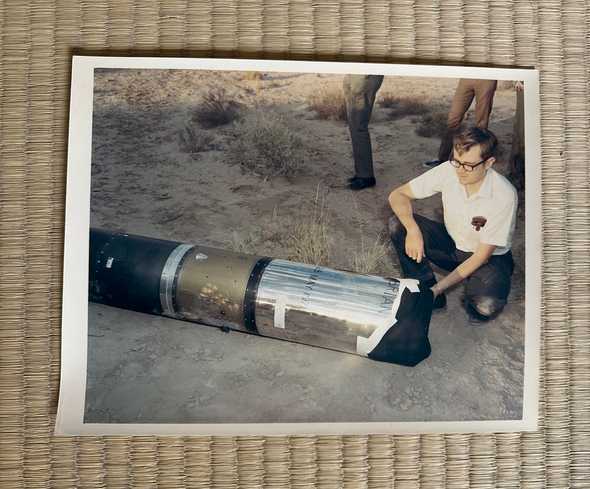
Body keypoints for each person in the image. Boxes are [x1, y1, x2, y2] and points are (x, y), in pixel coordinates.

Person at [389, 127, 518, 321]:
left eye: (468, 165)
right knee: (397, 224)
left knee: (485, 307)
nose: (460, 171)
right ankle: (425, 287)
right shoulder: (450, 170)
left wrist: (438, 288)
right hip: (452, 244)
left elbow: (481, 257)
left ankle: (450, 290)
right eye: (457, 161)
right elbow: (397, 195)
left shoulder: (503, 195)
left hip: (487, 258)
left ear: (489, 163)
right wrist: (412, 230)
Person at [425, 78, 497, 168]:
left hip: (486, 78)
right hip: (466, 77)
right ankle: (443, 159)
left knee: (481, 123)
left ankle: (476, 161)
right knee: (453, 119)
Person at [342, 74, 384, 190]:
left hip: (364, 76)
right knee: (355, 125)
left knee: (359, 126)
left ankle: (366, 176)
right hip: (359, 75)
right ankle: (362, 173)